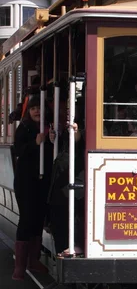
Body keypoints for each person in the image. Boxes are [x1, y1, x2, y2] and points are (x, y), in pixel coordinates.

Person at [12, 96, 53, 281]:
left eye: (39, 108)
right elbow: (18, 151)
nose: (36, 111)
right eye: (33, 108)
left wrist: (52, 140)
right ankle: (19, 266)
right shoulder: (24, 128)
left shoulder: (50, 127)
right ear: (28, 111)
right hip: (26, 181)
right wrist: (35, 144)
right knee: (26, 218)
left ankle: (33, 261)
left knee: (38, 219)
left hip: (43, 181)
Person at [47, 102, 85, 255]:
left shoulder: (83, 125)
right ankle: (61, 250)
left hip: (74, 178)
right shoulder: (63, 127)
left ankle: (72, 247)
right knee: (58, 216)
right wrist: (53, 139)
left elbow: (79, 139)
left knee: (71, 214)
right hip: (61, 179)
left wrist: (76, 133)